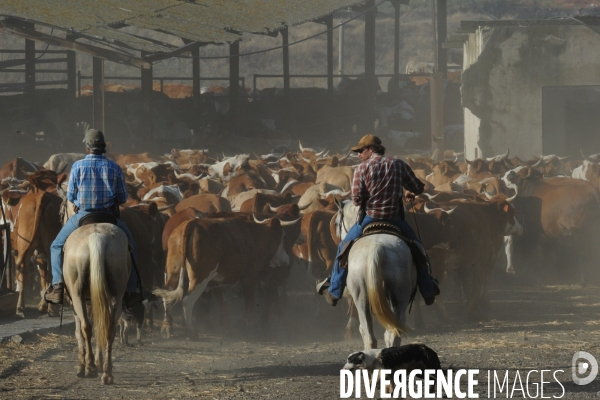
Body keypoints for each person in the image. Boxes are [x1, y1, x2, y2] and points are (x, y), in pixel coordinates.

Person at [316, 134, 440, 306]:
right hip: (395, 219)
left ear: (371, 149)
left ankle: (334, 291)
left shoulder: (361, 169)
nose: (358, 154)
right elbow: (418, 187)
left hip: (369, 219)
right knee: (418, 249)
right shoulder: (398, 163)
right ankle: (427, 290)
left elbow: (357, 200)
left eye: (360, 150)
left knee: (343, 249)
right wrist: (408, 192)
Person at [44, 129, 141, 311]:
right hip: (109, 216)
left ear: (87, 148)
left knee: (56, 246)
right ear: (103, 147)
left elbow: (71, 196)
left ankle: (57, 286)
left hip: (83, 216)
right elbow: (121, 198)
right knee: (132, 246)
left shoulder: (78, 166)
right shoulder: (114, 167)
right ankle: (131, 290)